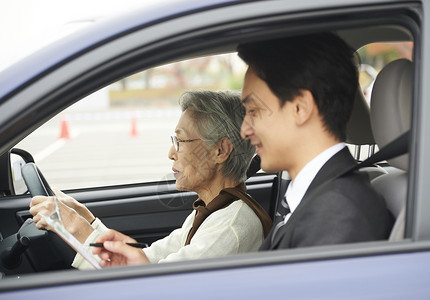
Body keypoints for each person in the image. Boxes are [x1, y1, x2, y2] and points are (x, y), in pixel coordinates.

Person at [30, 90, 272, 269]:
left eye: (181, 141)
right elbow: (149, 258)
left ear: (220, 150)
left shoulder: (230, 227)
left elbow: (152, 285)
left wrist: (75, 229)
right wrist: (89, 221)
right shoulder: (216, 211)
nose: (171, 153)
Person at [237, 32, 394, 250]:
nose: (244, 130)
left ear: (300, 108)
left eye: (254, 110)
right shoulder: (314, 195)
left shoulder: (339, 211)